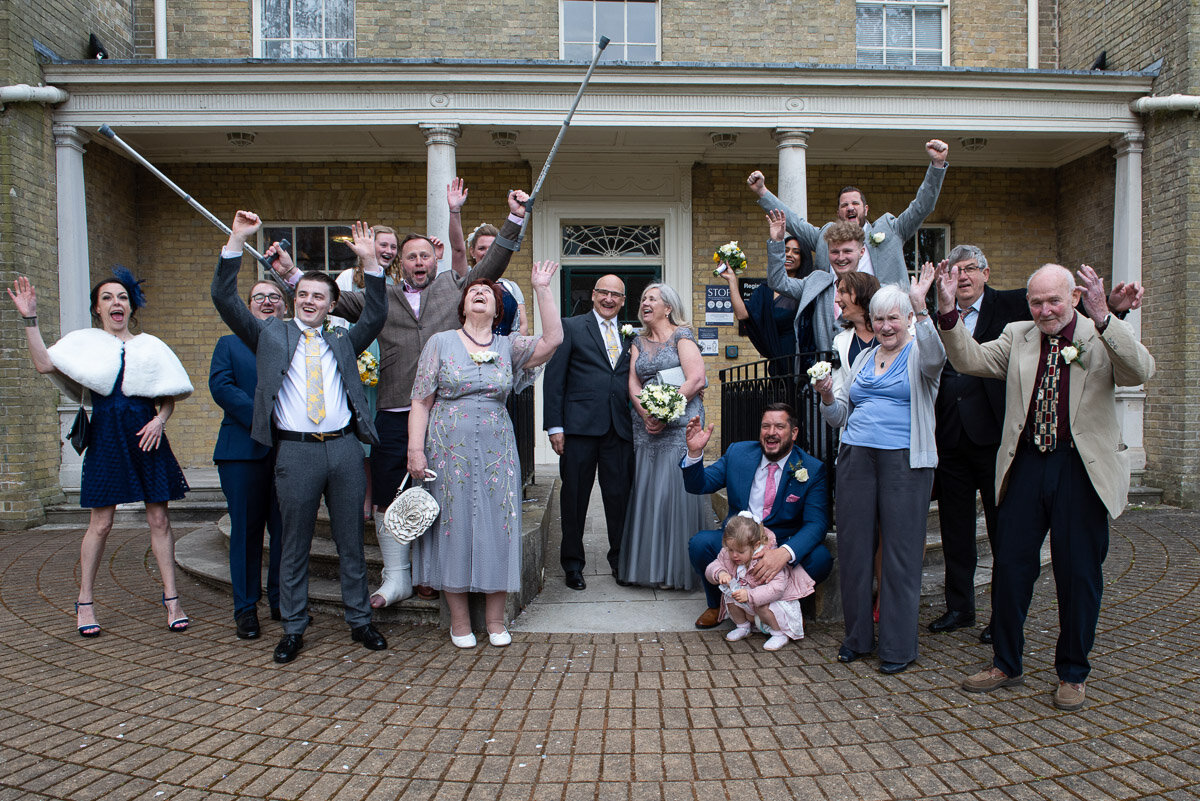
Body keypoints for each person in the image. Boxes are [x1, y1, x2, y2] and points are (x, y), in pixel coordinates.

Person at [292, 186, 529, 608]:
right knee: (390, 492)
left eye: (425, 256)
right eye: (411, 256)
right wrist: (291, 274)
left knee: (443, 497)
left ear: (436, 260)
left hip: (445, 418)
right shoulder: (377, 297)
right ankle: (398, 575)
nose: (419, 262)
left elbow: (494, 261)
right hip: (394, 409)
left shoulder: (455, 288)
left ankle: (434, 574)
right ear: (398, 261)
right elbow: (326, 300)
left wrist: (513, 219)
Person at [939, 263, 1154, 711]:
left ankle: (1073, 671)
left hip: (1080, 469)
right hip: (1027, 465)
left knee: (1078, 574)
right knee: (1012, 568)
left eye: (1053, 300)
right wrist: (947, 315)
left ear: (1074, 297)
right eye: (1036, 302)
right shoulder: (1019, 335)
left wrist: (1106, 317)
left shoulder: (1098, 333)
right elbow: (969, 360)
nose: (1044, 310)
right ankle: (1006, 663)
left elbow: (1139, 372)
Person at [214, 212, 389, 664]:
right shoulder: (270, 335)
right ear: (294, 299)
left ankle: (360, 621)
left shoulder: (344, 341)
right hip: (295, 451)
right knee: (294, 543)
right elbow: (224, 298)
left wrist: (370, 263)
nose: (310, 301)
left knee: (351, 539)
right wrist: (236, 240)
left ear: (331, 305)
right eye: (304, 294)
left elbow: (377, 312)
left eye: (320, 296)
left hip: (345, 449)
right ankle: (292, 627)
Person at [9, 269, 192, 637]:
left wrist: (160, 421)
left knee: (159, 521)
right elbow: (45, 363)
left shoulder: (150, 346)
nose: (116, 303)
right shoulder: (86, 344)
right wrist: (30, 319)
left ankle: (172, 599)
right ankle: (85, 601)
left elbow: (168, 395)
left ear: (131, 305)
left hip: (147, 437)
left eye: (122, 297)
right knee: (102, 523)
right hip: (107, 436)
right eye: (107, 298)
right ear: (97, 308)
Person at [407, 262, 564, 648]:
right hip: (446, 451)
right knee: (451, 526)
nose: (479, 293)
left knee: (498, 525)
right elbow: (421, 402)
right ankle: (459, 621)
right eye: (473, 291)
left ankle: (495, 621)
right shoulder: (440, 343)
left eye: (489, 294)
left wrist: (542, 288)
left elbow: (553, 340)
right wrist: (415, 450)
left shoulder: (508, 346)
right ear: (463, 305)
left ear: (498, 310)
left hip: (497, 451)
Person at [814, 270, 945, 675]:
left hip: (904, 460)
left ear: (907, 318)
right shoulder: (865, 357)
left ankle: (898, 646)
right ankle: (857, 638)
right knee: (854, 550)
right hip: (856, 457)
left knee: (900, 554)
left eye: (894, 318)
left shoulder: (921, 353)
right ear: (870, 321)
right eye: (879, 318)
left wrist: (923, 308)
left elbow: (939, 356)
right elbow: (839, 417)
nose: (886, 326)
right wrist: (825, 397)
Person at [928, 245, 1030, 642]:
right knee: (955, 530)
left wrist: (1113, 310)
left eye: (971, 269)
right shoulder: (939, 309)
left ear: (986, 273)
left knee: (1003, 528)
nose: (964, 276)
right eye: (956, 270)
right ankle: (960, 607)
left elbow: (1063, 310)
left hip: (994, 436)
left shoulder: (1012, 305)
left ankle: (1001, 615)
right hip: (950, 438)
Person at [683, 403, 831, 629]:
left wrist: (783, 554)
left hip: (782, 541)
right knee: (700, 544)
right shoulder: (738, 454)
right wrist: (694, 453)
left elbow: (817, 523)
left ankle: (778, 606)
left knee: (820, 558)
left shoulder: (811, 469)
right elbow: (699, 484)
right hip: (739, 542)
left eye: (779, 427)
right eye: (766, 426)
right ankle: (717, 605)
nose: (771, 432)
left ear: (794, 433)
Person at [617, 283, 715, 589]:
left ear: (667, 307)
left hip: (678, 428)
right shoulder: (636, 341)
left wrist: (666, 410)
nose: (645, 302)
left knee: (675, 493)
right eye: (643, 298)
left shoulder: (682, 336)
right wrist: (648, 414)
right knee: (651, 494)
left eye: (652, 299)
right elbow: (633, 384)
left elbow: (696, 378)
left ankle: (679, 570)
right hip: (646, 429)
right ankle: (653, 570)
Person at [748, 139, 949, 287]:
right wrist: (762, 192)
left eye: (855, 203)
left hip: (885, 321)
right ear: (838, 212)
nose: (850, 208)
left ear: (866, 209)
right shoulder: (825, 236)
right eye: (844, 205)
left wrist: (937, 166)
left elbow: (921, 206)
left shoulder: (892, 229)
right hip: (838, 322)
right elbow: (794, 222)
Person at [542, 274, 636, 591]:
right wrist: (555, 426)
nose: (609, 299)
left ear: (624, 301)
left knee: (619, 499)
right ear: (594, 295)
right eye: (603, 293)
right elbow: (554, 380)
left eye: (616, 295)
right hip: (578, 429)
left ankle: (620, 561)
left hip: (618, 430)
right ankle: (572, 565)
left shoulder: (632, 335)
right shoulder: (571, 327)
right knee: (574, 499)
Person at [209, 280, 286, 639]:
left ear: (284, 307)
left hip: (288, 451)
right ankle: (245, 608)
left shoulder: (294, 344)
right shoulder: (229, 344)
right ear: (248, 306)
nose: (268, 302)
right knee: (245, 532)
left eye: (275, 297)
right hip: (243, 451)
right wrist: (265, 418)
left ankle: (281, 601)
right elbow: (221, 386)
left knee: (286, 531)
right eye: (260, 297)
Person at [332, 224, 400, 520]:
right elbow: (337, 316)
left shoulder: (397, 279)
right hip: (361, 350)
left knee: (381, 431)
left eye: (392, 247)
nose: (387, 251)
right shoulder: (348, 278)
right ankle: (363, 496)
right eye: (381, 245)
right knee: (360, 428)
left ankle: (380, 496)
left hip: (389, 355)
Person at [705, 512, 815, 651]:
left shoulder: (767, 558)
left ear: (756, 545)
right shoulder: (729, 554)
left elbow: (777, 588)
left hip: (769, 598)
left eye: (740, 551)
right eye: (730, 549)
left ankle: (779, 634)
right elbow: (713, 566)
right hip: (746, 598)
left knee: (762, 606)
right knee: (730, 598)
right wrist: (719, 573)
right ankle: (743, 626)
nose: (734, 555)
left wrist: (750, 596)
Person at [764, 211, 867, 359]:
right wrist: (777, 242)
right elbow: (778, 281)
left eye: (847, 251)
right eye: (834, 252)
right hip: (820, 375)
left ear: (861, 252)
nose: (840, 258)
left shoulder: (872, 287)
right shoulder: (817, 281)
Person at [722, 234, 811, 371]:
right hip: (778, 360)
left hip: (804, 361)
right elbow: (742, 314)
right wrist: (732, 280)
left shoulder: (809, 288)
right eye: (785, 250)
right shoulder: (766, 290)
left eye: (796, 252)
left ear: (803, 257)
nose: (789, 255)